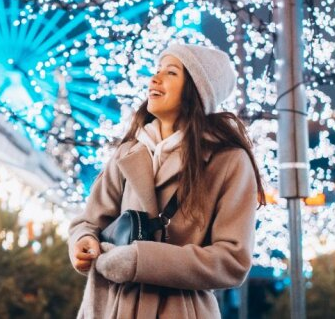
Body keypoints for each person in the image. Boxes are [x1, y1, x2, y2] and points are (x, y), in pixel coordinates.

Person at [68, 43, 266, 319]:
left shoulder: (228, 161)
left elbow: (232, 260)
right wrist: (82, 241)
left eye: (171, 73)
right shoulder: (128, 152)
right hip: (110, 307)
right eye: (157, 70)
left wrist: (141, 260)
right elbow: (88, 222)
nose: (155, 78)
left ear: (197, 90)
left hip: (180, 310)